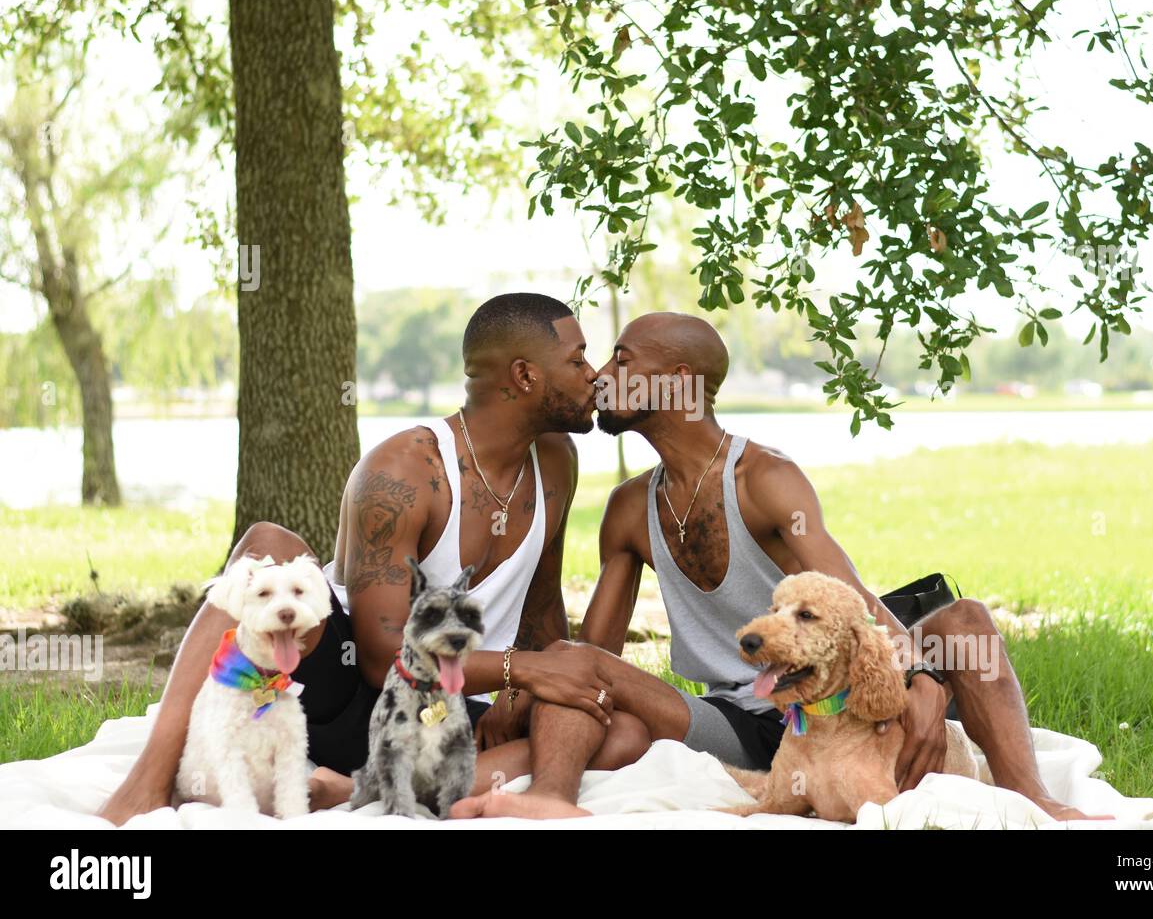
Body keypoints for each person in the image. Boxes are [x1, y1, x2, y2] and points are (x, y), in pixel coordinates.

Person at [450, 312, 1112, 822]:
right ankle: (535, 802)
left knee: (963, 618)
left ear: (675, 382)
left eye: (622, 358)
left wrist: (921, 675)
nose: (600, 375)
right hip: (740, 722)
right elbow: (593, 653)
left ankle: (1037, 806)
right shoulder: (629, 510)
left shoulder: (764, 478)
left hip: (827, 698)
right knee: (578, 669)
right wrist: (526, 684)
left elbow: (848, 595)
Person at [98, 293, 649, 824]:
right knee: (271, 542)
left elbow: (541, 605)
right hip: (346, 690)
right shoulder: (404, 470)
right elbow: (381, 656)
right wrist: (523, 670)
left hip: (446, 708)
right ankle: (148, 778)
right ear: (526, 376)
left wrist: (525, 691)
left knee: (620, 731)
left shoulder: (555, 460)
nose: (594, 374)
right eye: (578, 359)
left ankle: (364, 787)